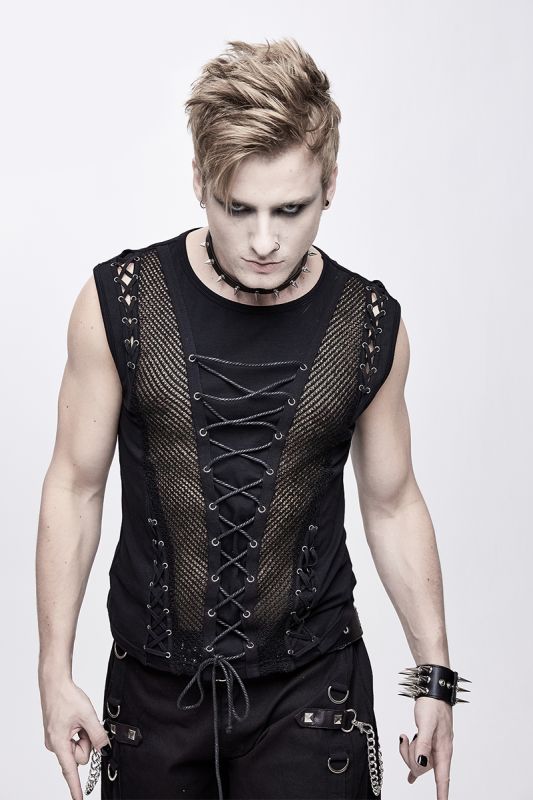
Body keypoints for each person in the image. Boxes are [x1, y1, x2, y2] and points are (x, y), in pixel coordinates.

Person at [36, 37, 469, 800]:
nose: (264, 240)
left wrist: (433, 675)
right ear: (199, 181)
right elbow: (75, 487)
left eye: (290, 210)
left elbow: (392, 501)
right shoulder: (120, 303)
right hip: (152, 695)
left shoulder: (367, 324)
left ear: (329, 185)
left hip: (311, 697)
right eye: (237, 209)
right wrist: (53, 669)